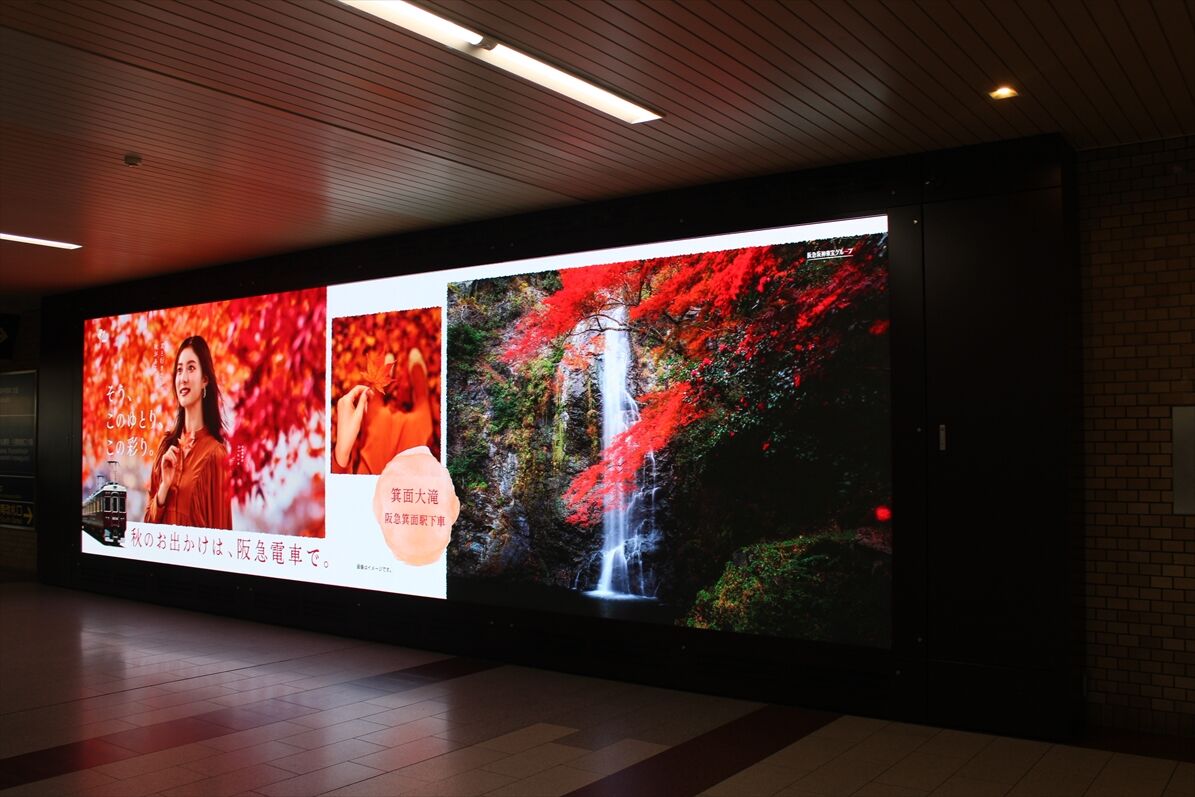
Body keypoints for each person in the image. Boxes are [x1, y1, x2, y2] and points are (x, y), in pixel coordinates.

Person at [143, 335, 232, 528]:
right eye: (179, 370)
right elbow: (147, 527)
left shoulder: (216, 455)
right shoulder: (166, 447)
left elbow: (222, 535)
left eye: (191, 368)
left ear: (205, 380)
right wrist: (164, 488)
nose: (183, 378)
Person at [333, 348, 433, 474]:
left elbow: (342, 486)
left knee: (375, 408)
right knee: (423, 408)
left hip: (374, 456)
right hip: (413, 457)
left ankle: (384, 377)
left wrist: (342, 454)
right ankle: (417, 377)